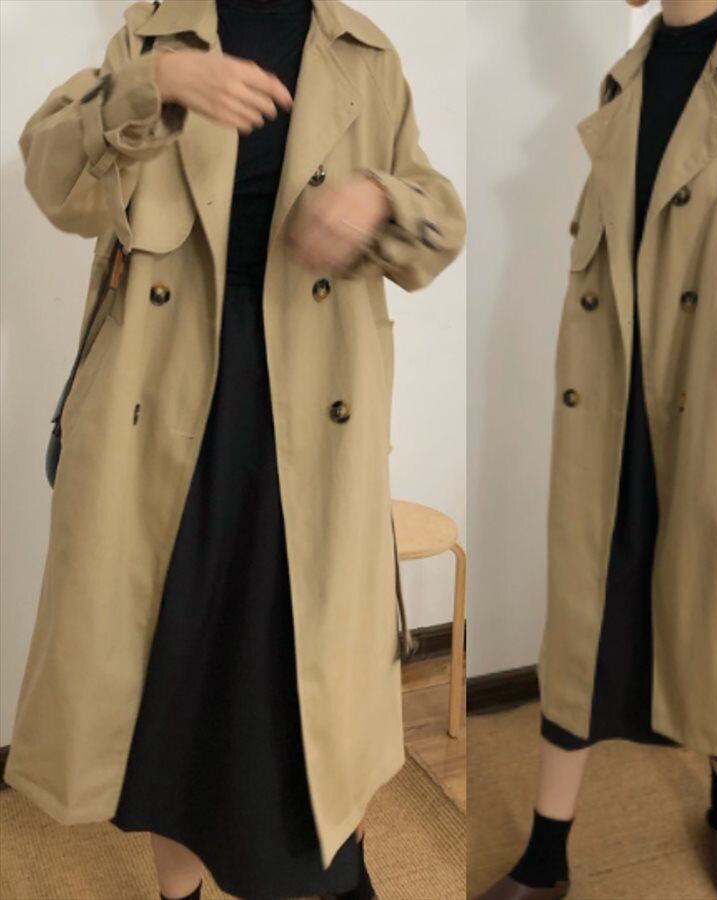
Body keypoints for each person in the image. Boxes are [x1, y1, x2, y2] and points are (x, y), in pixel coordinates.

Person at [5, 1, 465, 898]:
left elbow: (439, 227)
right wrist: (151, 83)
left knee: (302, 684)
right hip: (158, 422)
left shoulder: (363, 53)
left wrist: (381, 197)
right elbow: (56, 183)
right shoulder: (152, 35)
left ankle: (334, 873)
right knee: (172, 682)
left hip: (312, 422)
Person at [475, 1, 717, 898]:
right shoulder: (626, 81)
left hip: (715, 409)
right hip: (612, 407)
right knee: (590, 624)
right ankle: (546, 856)